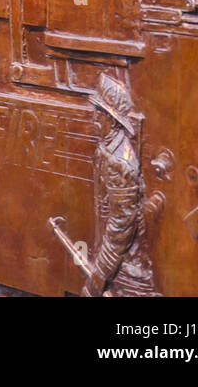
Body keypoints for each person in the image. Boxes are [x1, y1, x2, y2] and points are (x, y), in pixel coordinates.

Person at [83, 75, 158, 296]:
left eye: (100, 112)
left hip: (125, 272)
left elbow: (121, 227)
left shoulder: (119, 161)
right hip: (113, 263)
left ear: (113, 119)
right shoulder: (107, 150)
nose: (94, 116)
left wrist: (99, 276)